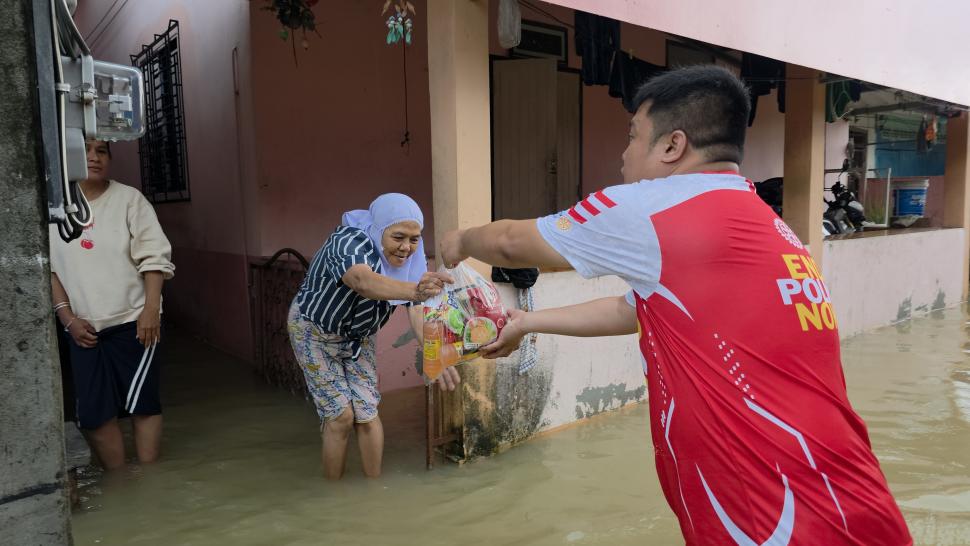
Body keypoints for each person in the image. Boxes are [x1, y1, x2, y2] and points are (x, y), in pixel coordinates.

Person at [440, 66, 912, 545]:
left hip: (774, 515)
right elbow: (633, 310)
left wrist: (458, 241)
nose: (623, 154)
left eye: (633, 136)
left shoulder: (657, 205)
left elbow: (509, 243)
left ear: (672, 146)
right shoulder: (760, 221)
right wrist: (528, 321)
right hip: (852, 501)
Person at [288, 193, 457, 480]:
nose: (406, 248)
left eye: (414, 239)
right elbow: (362, 281)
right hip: (314, 332)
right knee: (341, 417)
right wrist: (415, 290)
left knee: (367, 413)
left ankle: (373, 490)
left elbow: (416, 309)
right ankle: (334, 493)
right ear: (378, 230)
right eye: (398, 237)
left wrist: (434, 351)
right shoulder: (347, 241)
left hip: (360, 336)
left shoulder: (413, 259)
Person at [50, 139, 175, 470]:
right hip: (82, 329)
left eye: (101, 150)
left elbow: (154, 257)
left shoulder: (129, 200)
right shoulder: (54, 208)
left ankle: (148, 479)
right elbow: (49, 269)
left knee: (142, 405)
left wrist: (151, 311)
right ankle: (119, 482)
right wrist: (67, 319)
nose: (93, 157)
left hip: (133, 321)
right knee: (94, 414)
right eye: (84, 149)